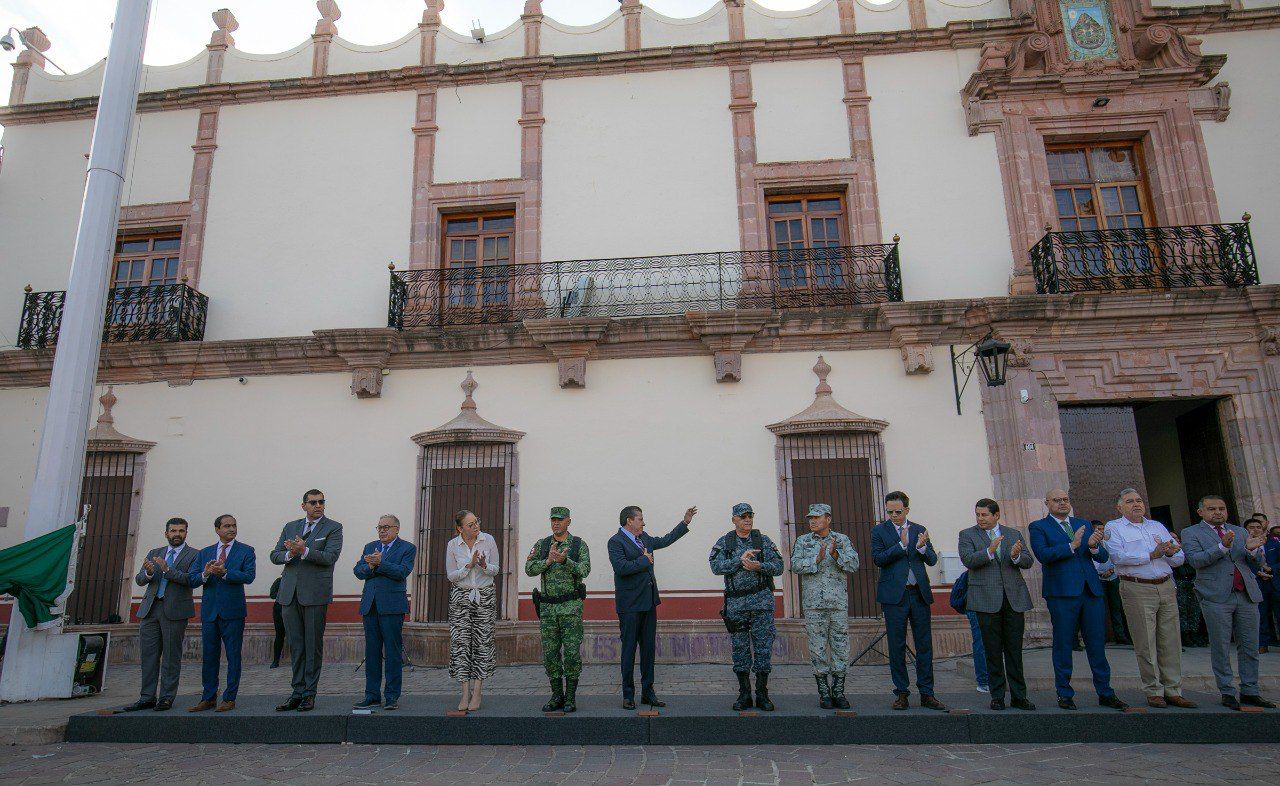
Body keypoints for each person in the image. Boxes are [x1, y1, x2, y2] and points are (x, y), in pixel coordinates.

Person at [1028, 490, 1128, 711]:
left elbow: (1101, 557)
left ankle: (1105, 692)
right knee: (1064, 644)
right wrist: (1072, 545)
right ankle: (1064, 693)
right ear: (1047, 504)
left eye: (1065, 500)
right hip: (1062, 594)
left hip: (1090, 591)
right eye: (1057, 500)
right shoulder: (1039, 527)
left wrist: (1092, 545)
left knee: (1096, 645)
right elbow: (1043, 555)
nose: (1062, 503)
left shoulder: (1082, 523)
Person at [1181, 496, 1276, 710]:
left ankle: (1250, 690)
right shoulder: (1191, 533)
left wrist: (1252, 550)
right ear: (1200, 512)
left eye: (1222, 508)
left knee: (1250, 646)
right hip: (1215, 596)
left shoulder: (1240, 531)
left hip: (1246, 594)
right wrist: (1222, 547)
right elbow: (1195, 561)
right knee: (1221, 646)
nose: (1218, 512)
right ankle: (1227, 691)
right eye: (1212, 509)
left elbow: (1257, 561)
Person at [1105, 488, 1195, 709]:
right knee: (1146, 641)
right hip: (1137, 587)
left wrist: (1172, 552)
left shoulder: (1157, 526)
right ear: (1119, 507)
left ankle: (1173, 690)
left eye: (1138, 500)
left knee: (1170, 640)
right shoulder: (1114, 528)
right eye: (1129, 501)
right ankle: (1154, 690)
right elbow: (1118, 557)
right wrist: (1151, 555)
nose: (1136, 504)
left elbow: (1179, 559)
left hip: (1165, 585)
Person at [608, 504, 696, 710]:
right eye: (640, 519)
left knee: (648, 650)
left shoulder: (644, 538)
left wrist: (684, 523)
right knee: (629, 650)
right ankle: (628, 695)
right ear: (629, 520)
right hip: (629, 606)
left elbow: (665, 540)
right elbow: (621, 568)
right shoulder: (615, 541)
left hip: (648, 603)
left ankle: (648, 692)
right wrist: (644, 560)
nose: (643, 522)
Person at [270, 488, 344, 713]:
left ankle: (309, 694)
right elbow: (274, 555)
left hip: (314, 595)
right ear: (303, 506)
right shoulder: (290, 527)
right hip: (289, 594)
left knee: (312, 646)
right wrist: (290, 554)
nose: (318, 505)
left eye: (321, 502)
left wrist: (304, 550)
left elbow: (330, 557)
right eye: (313, 502)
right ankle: (297, 691)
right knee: (296, 645)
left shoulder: (333, 527)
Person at [958, 498, 1036, 711]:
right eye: (978, 514)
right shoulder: (967, 534)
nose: (980, 518)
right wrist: (989, 551)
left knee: (1014, 650)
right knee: (992, 651)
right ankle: (997, 696)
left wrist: (1016, 555)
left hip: (1013, 599)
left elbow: (1028, 561)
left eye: (984, 515)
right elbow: (967, 560)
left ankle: (1020, 696)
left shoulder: (1013, 534)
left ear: (996, 515)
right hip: (986, 601)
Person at [871, 490, 945, 711]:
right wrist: (901, 546)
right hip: (895, 596)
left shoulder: (919, 530)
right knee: (896, 645)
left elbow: (931, 560)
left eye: (898, 511)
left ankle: (927, 693)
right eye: (890, 511)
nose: (894, 515)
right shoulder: (879, 531)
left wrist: (921, 547)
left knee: (924, 645)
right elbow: (878, 559)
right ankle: (901, 692)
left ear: (907, 510)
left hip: (918, 594)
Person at [710, 502, 784, 712]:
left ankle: (762, 694)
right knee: (740, 649)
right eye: (743, 516)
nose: (747, 520)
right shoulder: (725, 542)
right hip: (736, 606)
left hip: (762, 604)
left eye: (750, 515)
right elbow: (715, 566)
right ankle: (744, 694)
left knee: (763, 649)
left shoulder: (763, 540)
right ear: (734, 519)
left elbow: (779, 566)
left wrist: (759, 565)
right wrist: (738, 561)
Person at [121, 517, 199, 713]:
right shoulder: (154, 553)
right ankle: (147, 697)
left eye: (181, 531)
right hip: (150, 609)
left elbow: (192, 580)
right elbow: (139, 579)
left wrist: (167, 570)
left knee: (171, 656)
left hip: (175, 611)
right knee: (148, 656)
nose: (177, 534)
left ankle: (166, 697)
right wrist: (148, 573)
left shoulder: (194, 555)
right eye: (173, 531)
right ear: (166, 533)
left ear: (186, 533)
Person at [790, 503, 860, 709]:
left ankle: (838, 691)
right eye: (810, 517)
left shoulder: (841, 540)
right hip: (814, 604)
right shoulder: (803, 541)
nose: (812, 521)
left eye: (817, 517)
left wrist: (837, 556)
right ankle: (824, 693)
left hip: (837, 603)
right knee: (817, 649)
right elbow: (794, 565)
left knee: (840, 647)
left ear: (828, 519)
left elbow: (854, 565)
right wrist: (816, 559)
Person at [525, 506, 591, 713]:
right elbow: (529, 569)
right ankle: (556, 696)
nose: (556, 523)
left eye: (560, 520)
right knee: (551, 654)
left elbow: (585, 570)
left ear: (568, 521)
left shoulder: (578, 545)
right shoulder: (543, 545)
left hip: (570, 609)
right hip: (547, 609)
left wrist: (566, 561)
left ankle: (570, 696)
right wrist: (548, 560)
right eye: (553, 519)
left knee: (571, 653)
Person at [187, 514, 255, 713]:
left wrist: (225, 573)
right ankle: (208, 697)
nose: (231, 529)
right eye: (226, 526)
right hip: (209, 613)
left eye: (234, 525)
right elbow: (192, 579)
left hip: (233, 612)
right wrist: (206, 573)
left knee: (233, 656)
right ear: (217, 529)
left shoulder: (246, 551)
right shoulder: (204, 553)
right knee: (209, 656)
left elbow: (249, 576)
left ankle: (229, 697)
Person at [353, 514, 415, 711]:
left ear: (397, 529)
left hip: (392, 607)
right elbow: (358, 570)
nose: (382, 530)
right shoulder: (370, 546)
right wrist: (370, 565)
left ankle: (391, 696)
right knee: (371, 653)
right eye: (379, 527)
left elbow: (401, 572)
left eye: (386, 527)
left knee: (393, 653)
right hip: (370, 606)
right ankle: (371, 695)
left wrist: (380, 564)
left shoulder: (407, 548)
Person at [446, 508, 501, 712]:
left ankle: (478, 690)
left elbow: (496, 569)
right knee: (461, 643)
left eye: (477, 521)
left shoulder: (488, 540)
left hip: (484, 595)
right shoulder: (453, 544)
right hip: (461, 596)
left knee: (482, 642)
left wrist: (485, 565)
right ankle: (464, 691)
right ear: (460, 528)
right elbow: (451, 575)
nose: (476, 526)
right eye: (470, 524)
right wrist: (468, 566)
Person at [1091, 520, 1131, 644]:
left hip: (1113, 578)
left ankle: (1121, 636)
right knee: (1099, 610)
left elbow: (1117, 557)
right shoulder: (1089, 544)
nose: (1101, 532)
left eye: (1102, 529)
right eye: (1098, 529)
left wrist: (1111, 570)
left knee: (1117, 608)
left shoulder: (1109, 543)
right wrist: (1099, 572)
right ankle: (1101, 637)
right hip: (1098, 579)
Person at [1245, 518, 1278, 654]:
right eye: (1251, 527)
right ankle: (1262, 644)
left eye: (1258, 527)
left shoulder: (1274, 543)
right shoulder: (1242, 545)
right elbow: (1241, 562)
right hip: (1256, 583)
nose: (1255, 529)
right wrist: (1257, 572)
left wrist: (1271, 569)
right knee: (1260, 615)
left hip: (1275, 583)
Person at [269, 576, 285, 668]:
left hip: (293, 610)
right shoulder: (279, 581)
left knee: (296, 636)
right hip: (279, 610)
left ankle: (298, 659)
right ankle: (276, 660)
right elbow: (272, 594)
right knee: (279, 636)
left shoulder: (298, 580)